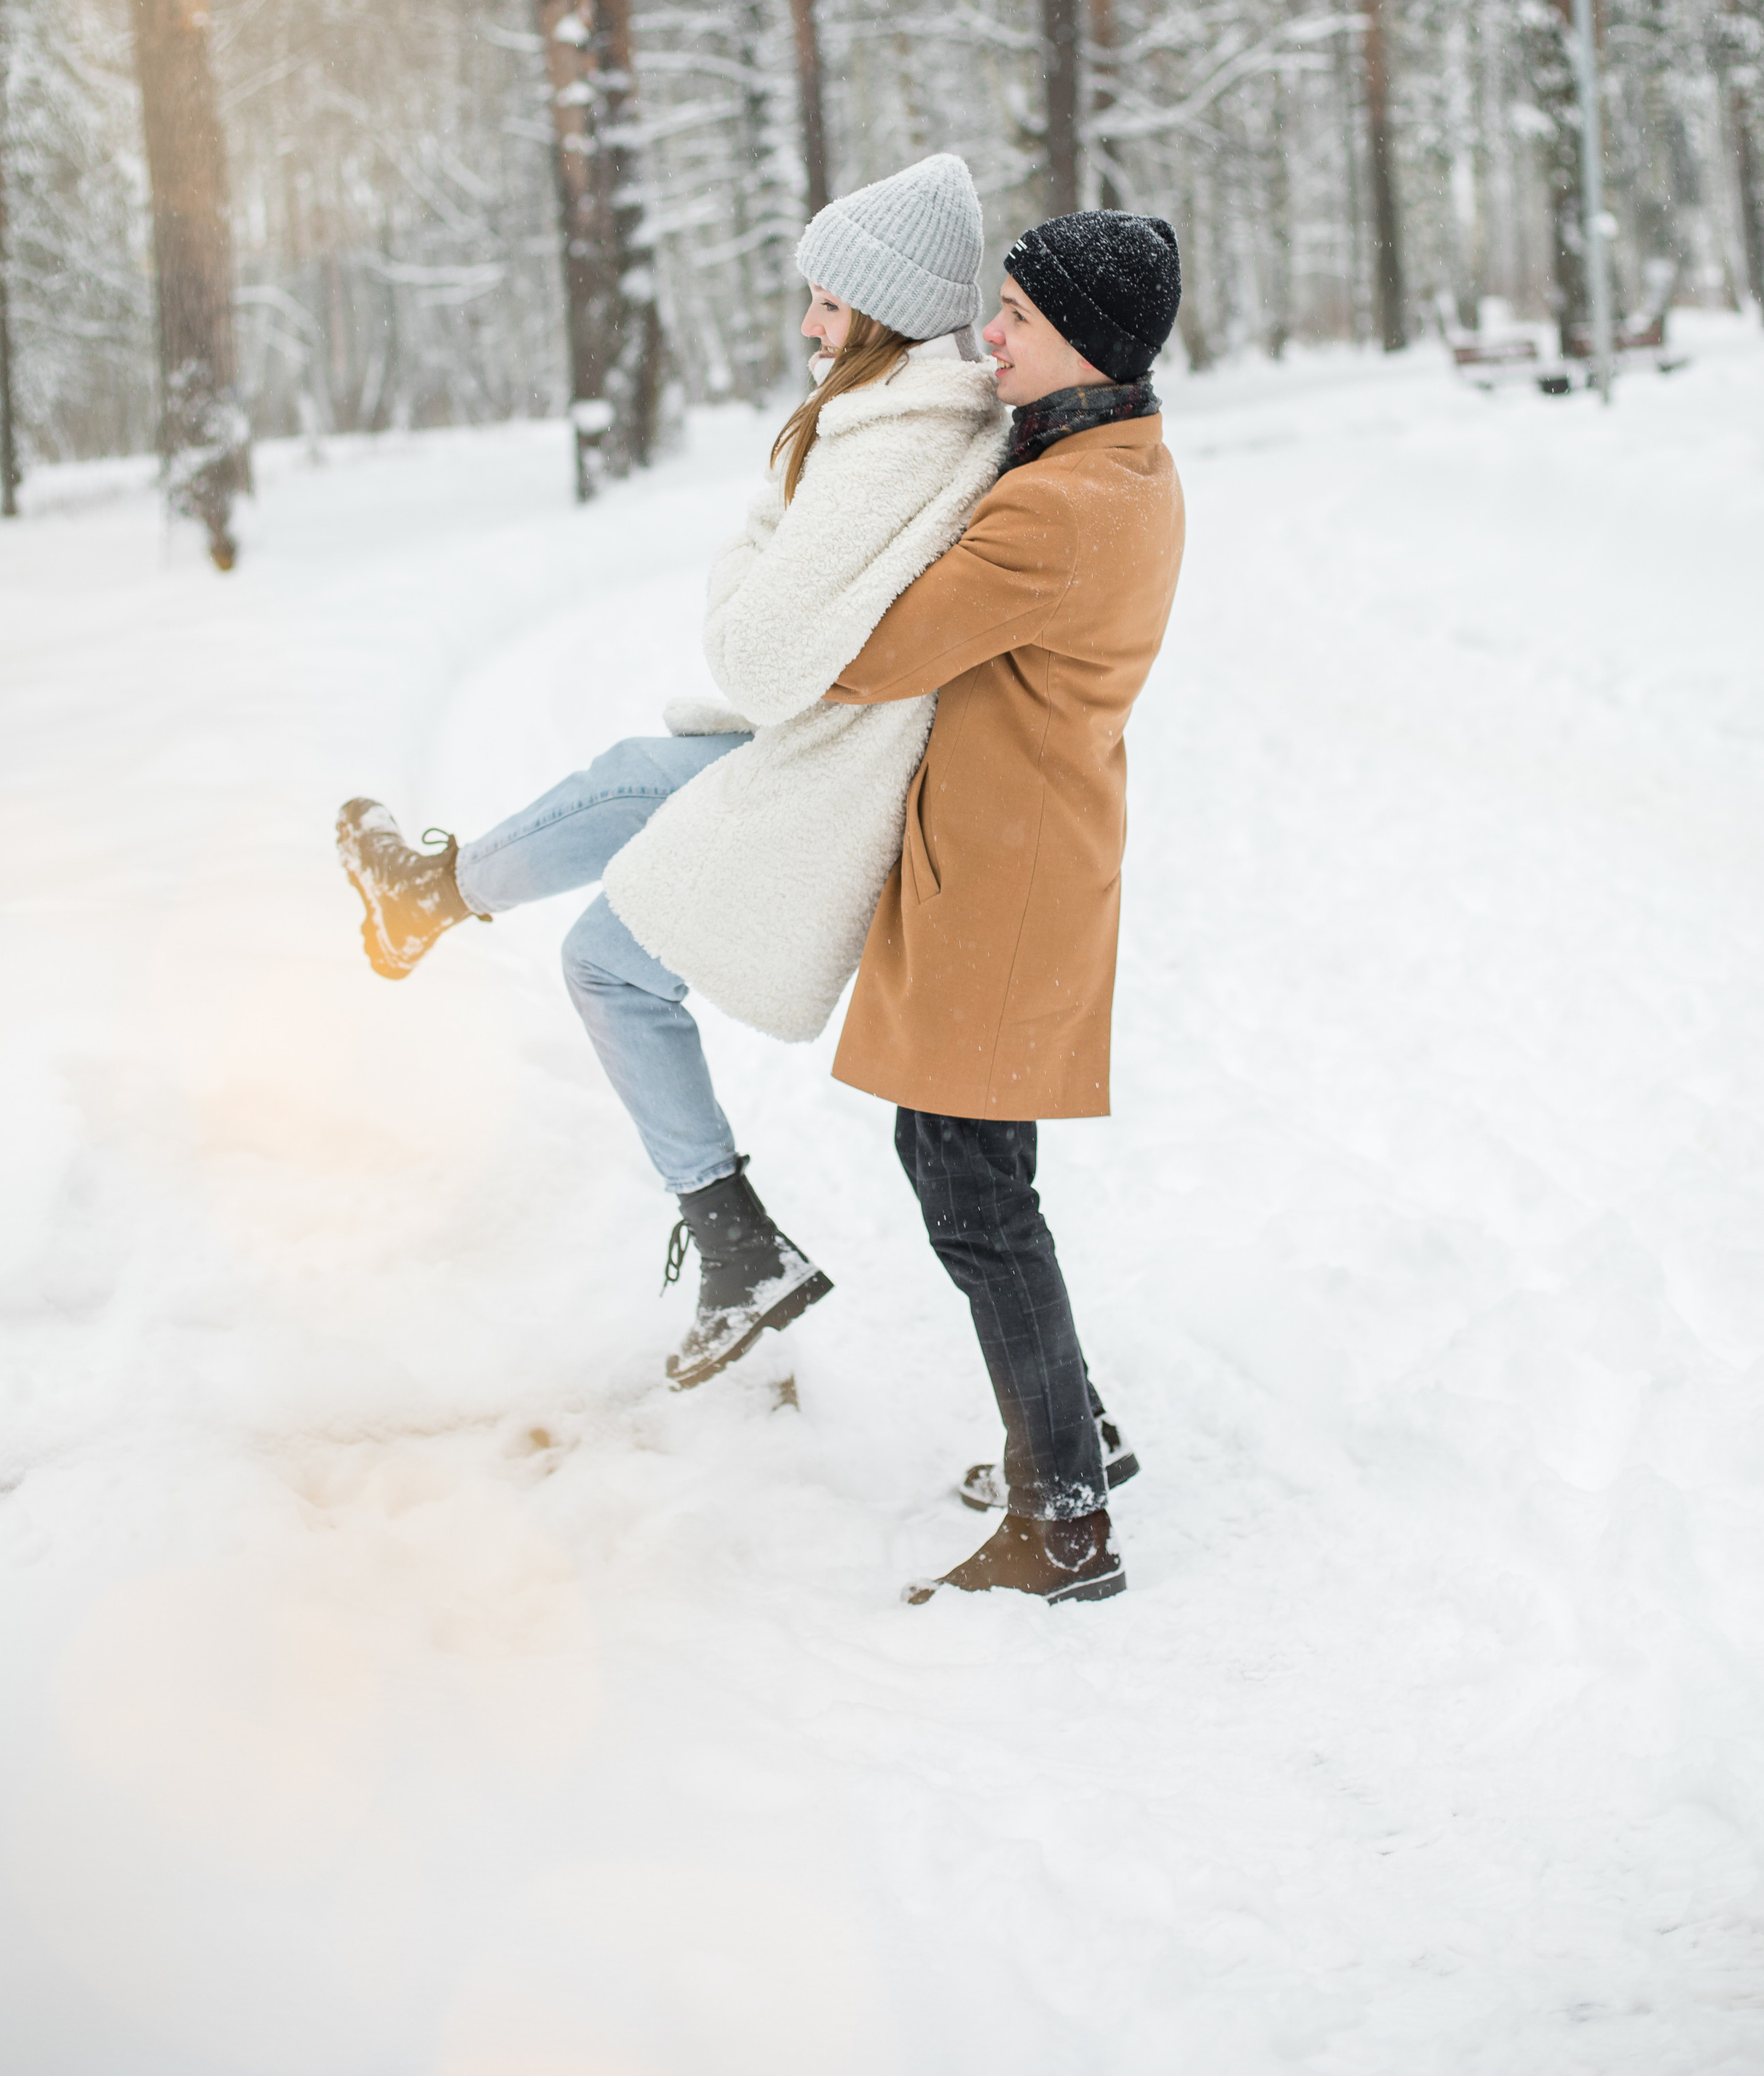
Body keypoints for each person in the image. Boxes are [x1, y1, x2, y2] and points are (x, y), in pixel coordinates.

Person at [336, 154, 1006, 1389]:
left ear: (889, 308)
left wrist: (762, 529)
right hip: (830, 751)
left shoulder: (886, 441)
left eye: (829, 301)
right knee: (629, 791)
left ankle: (731, 1237)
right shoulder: (917, 414)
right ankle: (432, 903)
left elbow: (750, 651)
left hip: (828, 770)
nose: (808, 322)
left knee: (609, 935)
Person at [822, 208, 1185, 1606]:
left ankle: (1067, 1521)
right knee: (970, 1171)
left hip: (1006, 879)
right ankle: (1073, 1429)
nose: (989, 336)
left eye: (1019, 318)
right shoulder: (1114, 463)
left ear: (1084, 341)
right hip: (1021, 857)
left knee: (975, 1194)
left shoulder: (1057, 507)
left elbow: (873, 655)